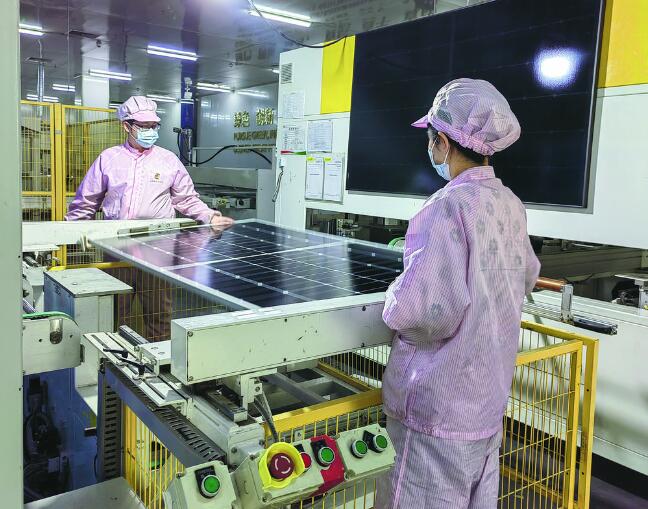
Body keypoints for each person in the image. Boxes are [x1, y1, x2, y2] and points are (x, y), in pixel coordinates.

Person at [376, 79, 541, 509]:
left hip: (436, 413)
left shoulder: (446, 206)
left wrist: (394, 296)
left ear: (444, 143)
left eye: (431, 138)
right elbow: (527, 275)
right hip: (486, 404)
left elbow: (427, 313)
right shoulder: (510, 204)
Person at [66, 96, 234, 340]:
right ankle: (113, 356)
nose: (150, 131)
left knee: (159, 314)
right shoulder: (109, 159)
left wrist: (210, 216)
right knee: (113, 312)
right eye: (144, 126)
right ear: (126, 126)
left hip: (158, 250)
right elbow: (86, 202)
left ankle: (159, 357)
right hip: (117, 250)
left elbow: (187, 199)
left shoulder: (168, 160)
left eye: (154, 126)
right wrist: (70, 234)